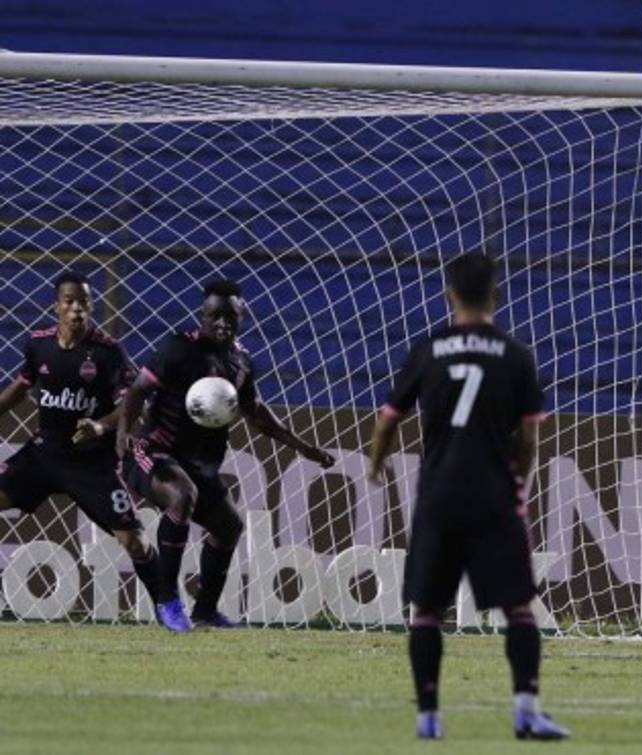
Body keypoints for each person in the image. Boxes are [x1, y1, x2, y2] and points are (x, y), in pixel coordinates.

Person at [367, 253, 569, 741]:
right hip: (493, 495)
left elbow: (389, 417)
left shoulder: (429, 348)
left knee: (426, 612)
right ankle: (525, 711)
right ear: (495, 295)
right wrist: (518, 479)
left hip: (439, 494)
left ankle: (429, 719)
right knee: (519, 608)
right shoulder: (517, 354)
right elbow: (527, 438)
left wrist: (376, 461)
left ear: (449, 296)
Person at [117, 279, 334, 632]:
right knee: (181, 497)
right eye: (214, 316)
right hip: (153, 452)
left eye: (230, 316)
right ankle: (167, 602)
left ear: (241, 315)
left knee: (228, 526)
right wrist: (124, 436)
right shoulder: (179, 348)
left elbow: (257, 414)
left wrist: (305, 448)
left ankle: (204, 611)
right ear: (202, 315)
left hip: (198, 465)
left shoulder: (241, 360)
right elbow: (138, 390)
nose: (222, 323)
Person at [0, 271, 159, 609]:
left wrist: (101, 427)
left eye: (84, 302)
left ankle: (169, 607)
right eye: (70, 302)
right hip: (44, 453)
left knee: (135, 542)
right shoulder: (38, 344)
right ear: (56, 306)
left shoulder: (108, 352)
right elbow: (20, 389)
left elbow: (132, 404)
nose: (77, 309)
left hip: (91, 462)